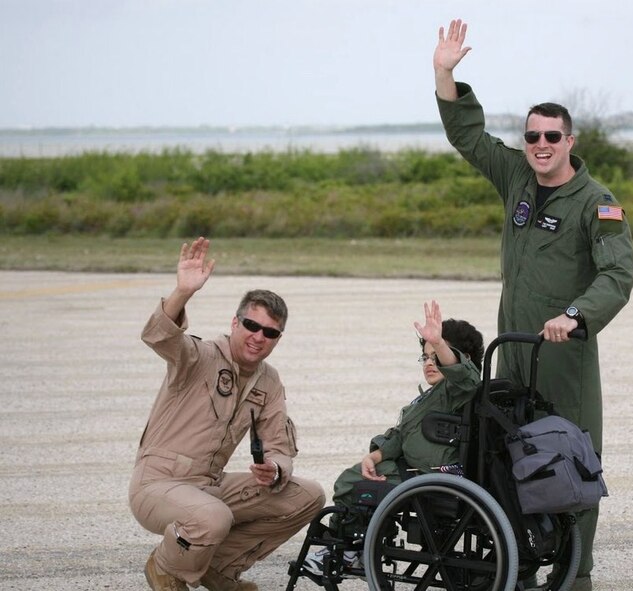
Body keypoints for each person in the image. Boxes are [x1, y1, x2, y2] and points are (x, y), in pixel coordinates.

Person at [433, 20, 633, 591]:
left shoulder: (597, 204)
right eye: (532, 137)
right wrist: (445, 74)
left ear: (571, 141)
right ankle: (517, 565)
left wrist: (575, 316)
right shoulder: (518, 178)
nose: (541, 147)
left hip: (564, 357)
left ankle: (577, 578)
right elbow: (469, 138)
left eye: (552, 137)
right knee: (509, 455)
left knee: (572, 462)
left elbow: (618, 273)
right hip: (513, 351)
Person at [129, 236, 325, 591]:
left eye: (270, 332)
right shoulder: (199, 357)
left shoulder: (269, 382)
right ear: (235, 323)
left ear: (278, 338)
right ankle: (166, 568)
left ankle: (218, 568)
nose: (258, 337)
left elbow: (280, 446)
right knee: (212, 518)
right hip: (158, 484)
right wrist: (182, 293)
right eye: (251, 326)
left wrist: (275, 469)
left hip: (208, 486)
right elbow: (160, 337)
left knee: (308, 495)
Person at [302, 300, 484, 574]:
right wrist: (376, 454)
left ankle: (352, 549)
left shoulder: (459, 391)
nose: (429, 363)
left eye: (437, 356)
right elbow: (402, 433)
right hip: (413, 470)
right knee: (358, 475)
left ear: (460, 358)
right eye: (426, 356)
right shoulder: (430, 397)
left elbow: (467, 378)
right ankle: (359, 545)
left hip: (434, 477)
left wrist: (440, 344)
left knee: (350, 483)